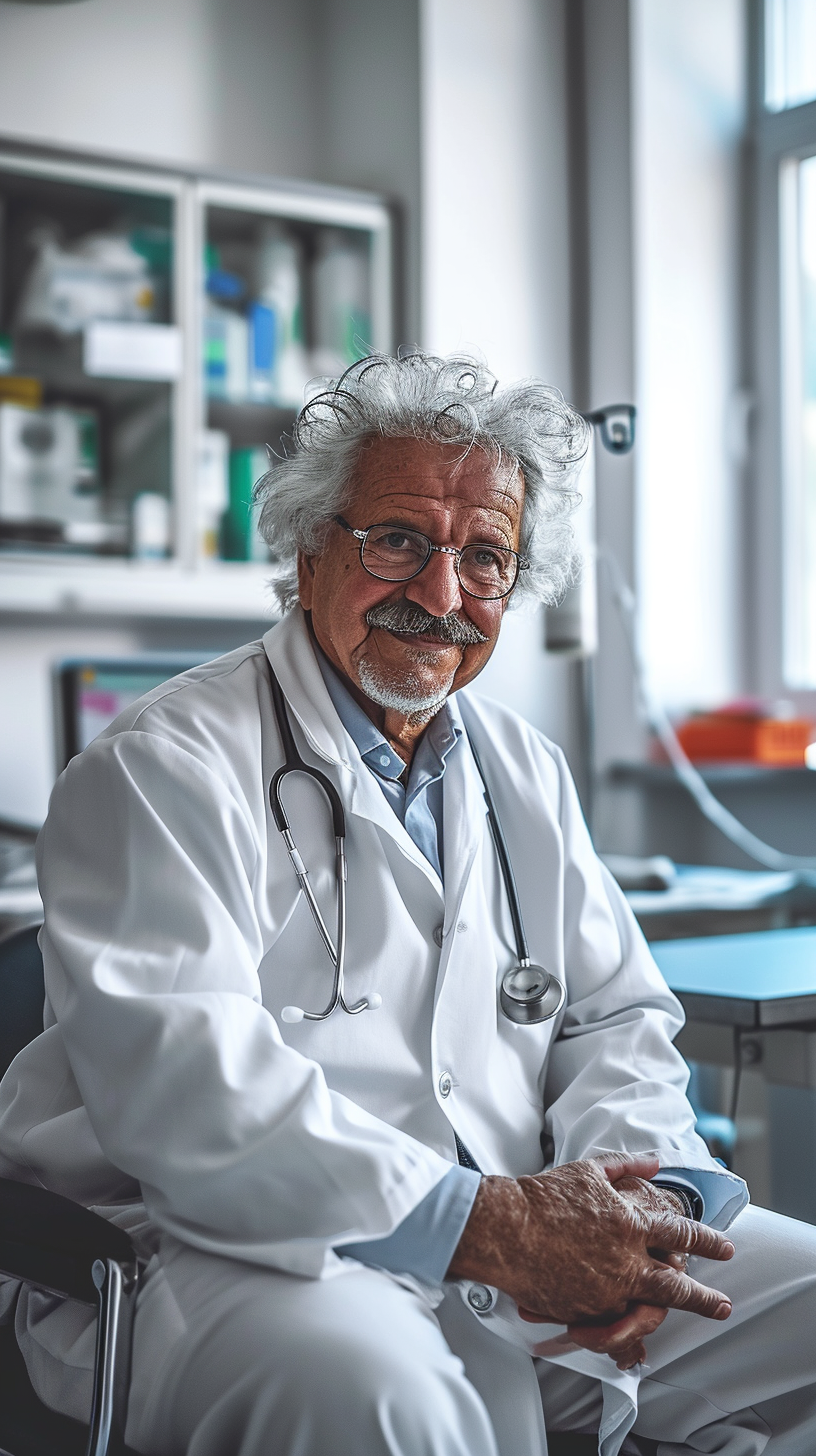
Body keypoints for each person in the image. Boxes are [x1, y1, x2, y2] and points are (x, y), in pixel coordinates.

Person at [1, 351, 815, 1456]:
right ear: (308, 548)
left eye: (485, 557)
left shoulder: (520, 766)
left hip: (518, 1239)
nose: (441, 594)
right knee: (383, 1400)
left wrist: (644, 1217)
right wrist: (485, 1227)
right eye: (398, 539)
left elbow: (612, 1018)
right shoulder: (162, 765)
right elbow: (187, 1091)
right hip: (229, 1254)